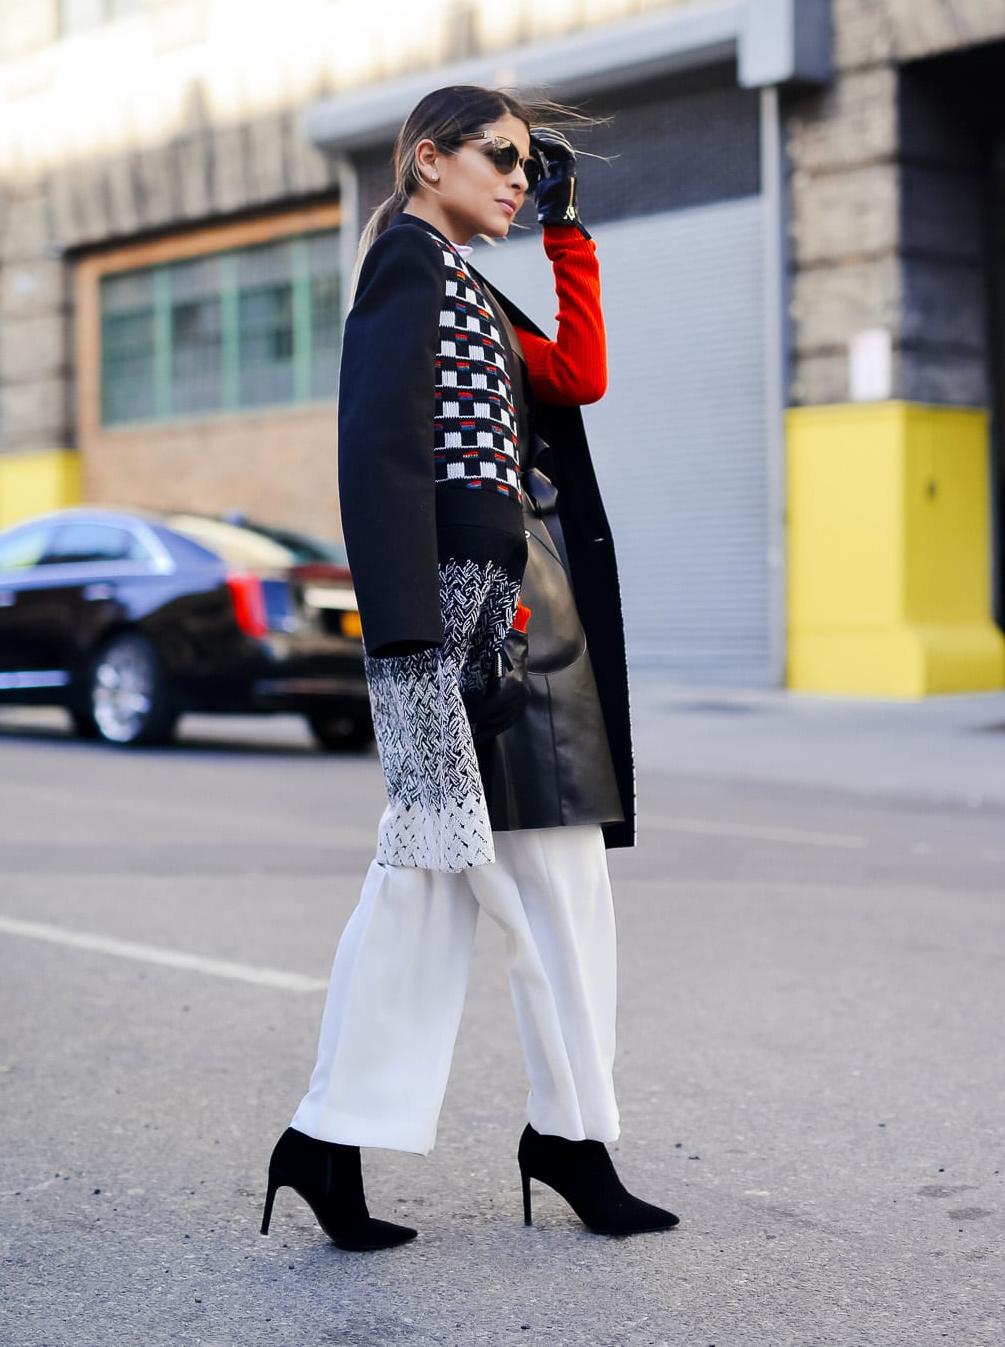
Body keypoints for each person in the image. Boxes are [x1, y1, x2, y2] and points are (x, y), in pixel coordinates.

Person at [260, 85, 677, 1250]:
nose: (514, 173)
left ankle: (559, 1135)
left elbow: (578, 374)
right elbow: (378, 452)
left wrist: (563, 230)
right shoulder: (406, 263)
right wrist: (407, 648)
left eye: (527, 160)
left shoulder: (471, 284)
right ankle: (333, 1135)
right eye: (498, 156)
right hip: (457, 622)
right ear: (426, 157)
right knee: (428, 876)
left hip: (525, 618)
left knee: (547, 876)